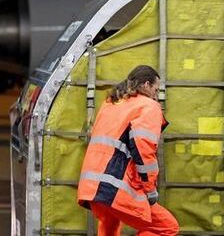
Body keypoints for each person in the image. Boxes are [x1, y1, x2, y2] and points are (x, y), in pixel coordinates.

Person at [77, 65, 179, 236]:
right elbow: (143, 149)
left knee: (110, 227)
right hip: (116, 188)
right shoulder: (148, 106)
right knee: (167, 227)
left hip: (92, 187)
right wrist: (150, 189)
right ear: (146, 85)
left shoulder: (112, 103)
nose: (157, 95)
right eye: (156, 89)